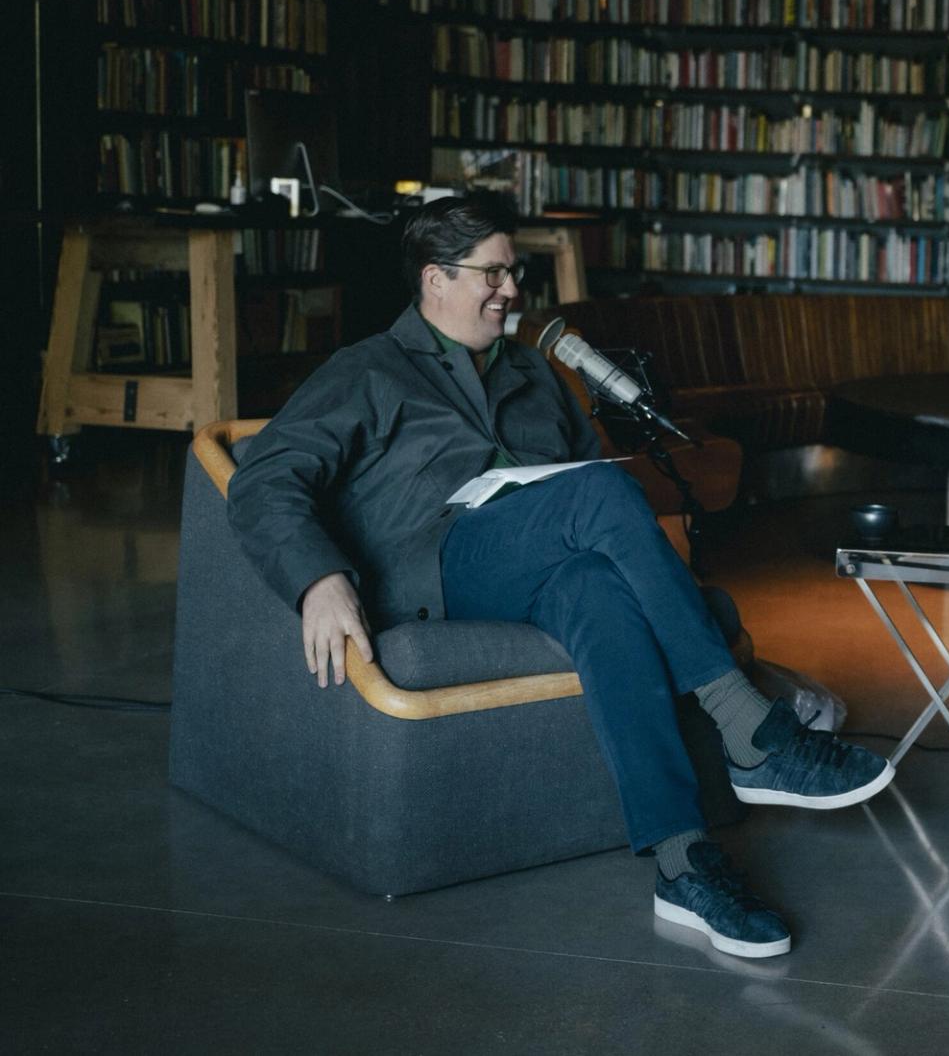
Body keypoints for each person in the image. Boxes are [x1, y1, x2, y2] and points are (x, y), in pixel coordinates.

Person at [228, 193, 892, 960]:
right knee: (601, 492)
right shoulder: (367, 369)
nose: (511, 291)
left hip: (544, 563)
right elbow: (265, 478)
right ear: (433, 278)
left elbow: (588, 480)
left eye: (515, 272)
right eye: (492, 274)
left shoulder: (534, 373)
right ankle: (750, 728)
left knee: (599, 592)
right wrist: (318, 578)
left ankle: (684, 864)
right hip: (438, 558)